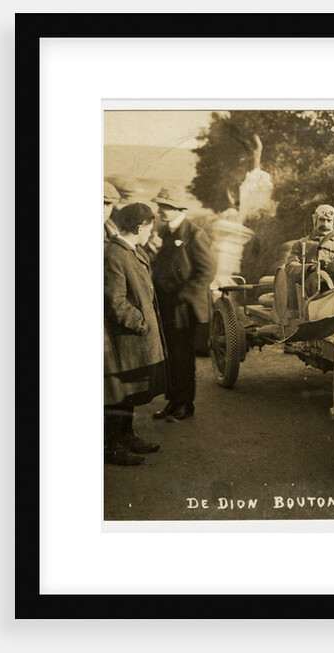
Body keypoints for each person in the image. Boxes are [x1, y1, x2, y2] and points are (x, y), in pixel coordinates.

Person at [104, 203, 167, 465]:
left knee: (130, 391)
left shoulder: (133, 251)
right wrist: (141, 323)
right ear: (140, 228)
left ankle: (127, 436)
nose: (151, 233)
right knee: (119, 394)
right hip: (127, 338)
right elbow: (115, 302)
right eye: (149, 229)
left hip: (134, 338)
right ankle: (113, 446)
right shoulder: (115, 255)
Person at [150, 187, 216, 422]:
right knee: (171, 354)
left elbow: (207, 271)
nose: (160, 211)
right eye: (160, 206)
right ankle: (173, 401)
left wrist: (183, 295)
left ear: (178, 209)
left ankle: (186, 404)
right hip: (166, 304)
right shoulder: (165, 233)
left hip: (183, 307)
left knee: (183, 356)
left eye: (166, 207)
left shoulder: (194, 235)